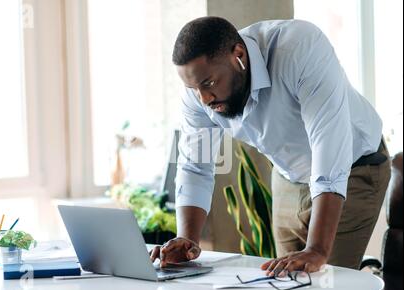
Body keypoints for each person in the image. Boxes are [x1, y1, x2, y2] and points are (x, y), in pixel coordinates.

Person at [150, 17, 391, 275]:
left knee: (329, 284)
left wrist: (318, 249)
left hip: (355, 167)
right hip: (288, 176)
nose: (204, 99)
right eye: (193, 88)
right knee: (285, 284)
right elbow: (195, 166)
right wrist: (188, 239)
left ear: (238, 56)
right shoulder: (199, 90)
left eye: (209, 84)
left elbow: (329, 146)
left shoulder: (299, 48)